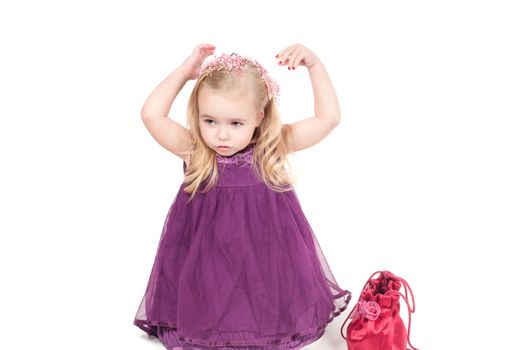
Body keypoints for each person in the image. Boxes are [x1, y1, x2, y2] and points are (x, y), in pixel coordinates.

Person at [133, 43, 352, 350]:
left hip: (264, 255)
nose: (221, 135)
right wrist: (185, 72)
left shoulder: (270, 147)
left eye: (236, 123)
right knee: (213, 291)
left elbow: (327, 119)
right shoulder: (196, 151)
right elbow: (151, 115)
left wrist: (315, 65)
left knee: (260, 293)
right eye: (210, 121)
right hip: (208, 258)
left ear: (259, 117)